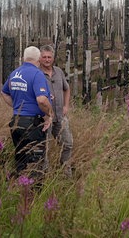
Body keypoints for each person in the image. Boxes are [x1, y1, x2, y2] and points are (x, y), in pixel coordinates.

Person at [1, 46, 53, 177]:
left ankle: (19, 187)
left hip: (16, 123)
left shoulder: (14, 73)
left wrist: (18, 107)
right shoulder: (37, 74)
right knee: (36, 163)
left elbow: (4, 92)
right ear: (39, 59)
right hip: (32, 124)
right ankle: (34, 193)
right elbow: (41, 100)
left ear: (24, 58)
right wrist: (49, 114)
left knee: (21, 159)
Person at [39, 44, 73, 176]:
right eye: (44, 57)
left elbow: (67, 88)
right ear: (40, 58)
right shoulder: (37, 73)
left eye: (49, 57)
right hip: (44, 117)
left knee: (68, 144)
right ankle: (44, 175)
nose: (47, 60)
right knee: (44, 148)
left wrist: (66, 106)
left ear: (53, 58)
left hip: (60, 116)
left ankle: (65, 172)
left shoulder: (58, 71)